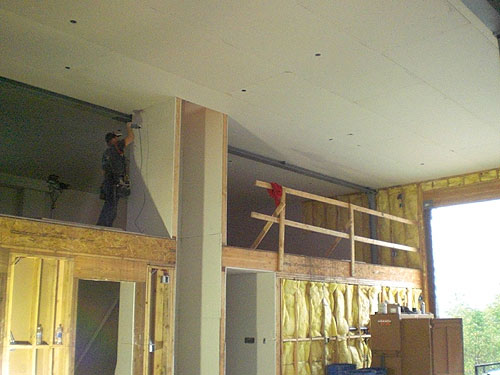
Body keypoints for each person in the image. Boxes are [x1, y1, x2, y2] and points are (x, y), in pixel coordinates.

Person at [96, 122, 134, 227]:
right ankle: (104, 226)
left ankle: (104, 225)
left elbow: (103, 171)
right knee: (112, 206)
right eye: (115, 138)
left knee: (110, 204)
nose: (117, 139)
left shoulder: (106, 153)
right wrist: (128, 127)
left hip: (108, 183)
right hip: (114, 182)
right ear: (112, 140)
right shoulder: (116, 147)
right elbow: (131, 138)